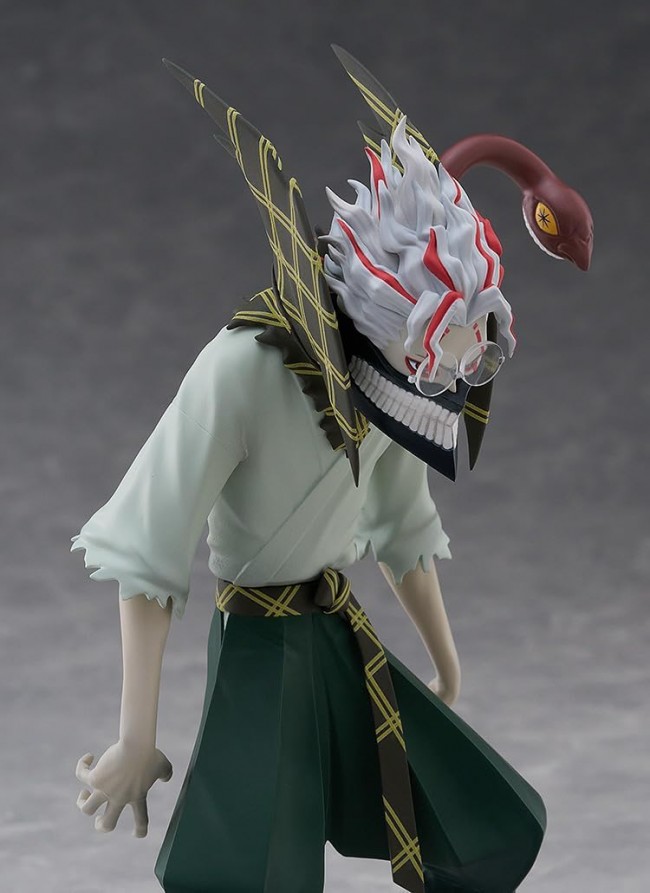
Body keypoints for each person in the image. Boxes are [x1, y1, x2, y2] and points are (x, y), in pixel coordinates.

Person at [72, 51, 560, 893]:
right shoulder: (241, 371)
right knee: (253, 868)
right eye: (447, 344)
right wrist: (136, 735)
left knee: (486, 818)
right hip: (259, 646)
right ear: (395, 313)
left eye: (472, 347)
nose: (454, 373)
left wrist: (443, 662)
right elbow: (150, 550)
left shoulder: (398, 390)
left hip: (337, 631)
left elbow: (401, 525)